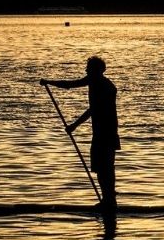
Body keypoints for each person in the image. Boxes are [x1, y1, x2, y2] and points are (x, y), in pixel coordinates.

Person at [41, 56, 120, 210]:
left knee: (106, 168)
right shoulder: (94, 80)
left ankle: (109, 201)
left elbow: (93, 110)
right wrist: (49, 82)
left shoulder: (105, 86)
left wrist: (74, 126)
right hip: (100, 133)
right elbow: (70, 85)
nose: (86, 70)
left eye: (88, 68)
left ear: (97, 70)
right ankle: (107, 200)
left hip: (106, 133)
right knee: (100, 167)